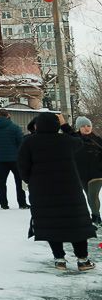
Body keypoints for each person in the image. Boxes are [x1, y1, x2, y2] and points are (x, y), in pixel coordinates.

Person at [18, 112, 96, 271]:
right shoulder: (67, 141)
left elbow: (22, 166)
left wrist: (32, 180)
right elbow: (81, 140)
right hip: (71, 191)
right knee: (77, 224)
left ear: (37, 125)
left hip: (42, 191)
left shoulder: (29, 142)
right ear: (57, 125)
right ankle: (83, 260)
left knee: (51, 224)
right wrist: (65, 125)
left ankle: (59, 259)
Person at [0, 109, 29, 210]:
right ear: (8, 115)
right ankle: (22, 203)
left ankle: (3, 204)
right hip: (15, 159)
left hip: (0, 159)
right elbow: (21, 143)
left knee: (1, 182)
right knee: (19, 181)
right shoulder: (15, 127)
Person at [71, 117, 102, 226]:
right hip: (82, 173)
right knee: (89, 195)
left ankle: (95, 218)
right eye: (83, 126)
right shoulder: (74, 139)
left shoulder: (97, 139)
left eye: (88, 125)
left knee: (93, 195)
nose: (86, 128)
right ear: (78, 128)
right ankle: (96, 217)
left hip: (97, 173)